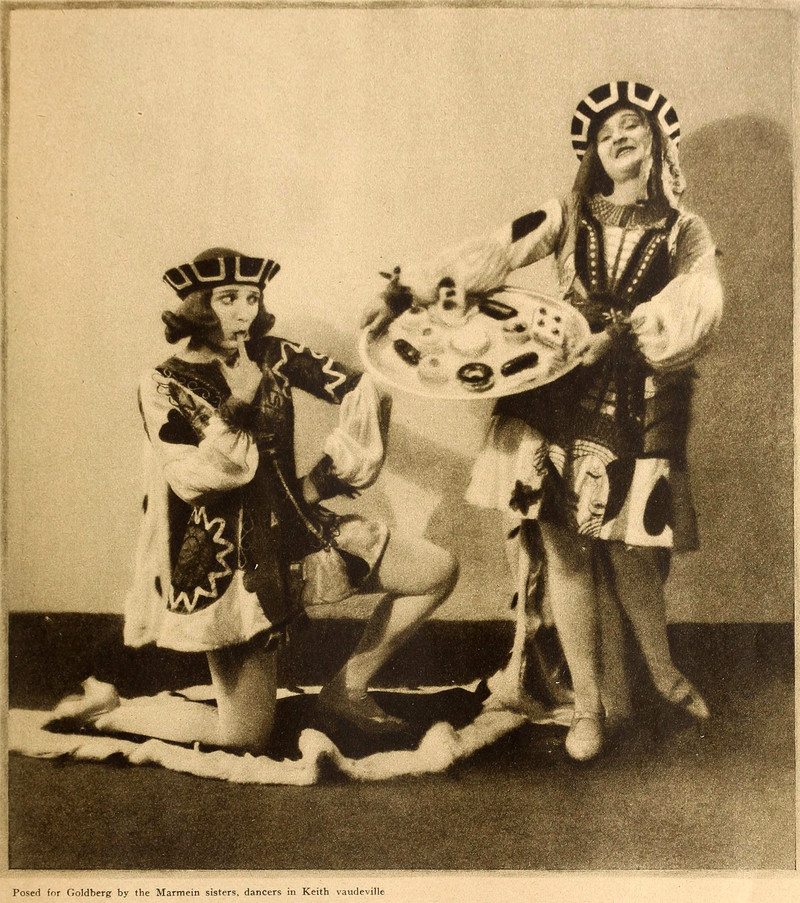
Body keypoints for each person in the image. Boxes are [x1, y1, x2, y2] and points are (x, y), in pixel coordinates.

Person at [371, 81, 723, 761]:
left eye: (631, 126)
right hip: (555, 388)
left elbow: (698, 299)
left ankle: (664, 671)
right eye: (605, 133)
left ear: (656, 141)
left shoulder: (686, 230)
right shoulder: (566, 214)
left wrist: (619, 334)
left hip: (636, 396)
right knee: (564, 547)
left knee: (627, 547)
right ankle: (585, 710)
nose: (619, 138)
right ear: (593, 152)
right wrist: (407, 287)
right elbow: (493, 250)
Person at [51, 248, 458, 755]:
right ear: (198, 307)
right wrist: (240, 400)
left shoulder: (273, 355)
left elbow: (364, 388)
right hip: (229, 566)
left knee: (436, 569)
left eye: (252, 298)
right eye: (228, 299)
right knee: (244, 736)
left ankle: (345, 691)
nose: (244, 312)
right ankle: (108, 713)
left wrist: (323, 479)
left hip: (299, 532)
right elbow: (197, 478)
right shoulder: (161, 383)